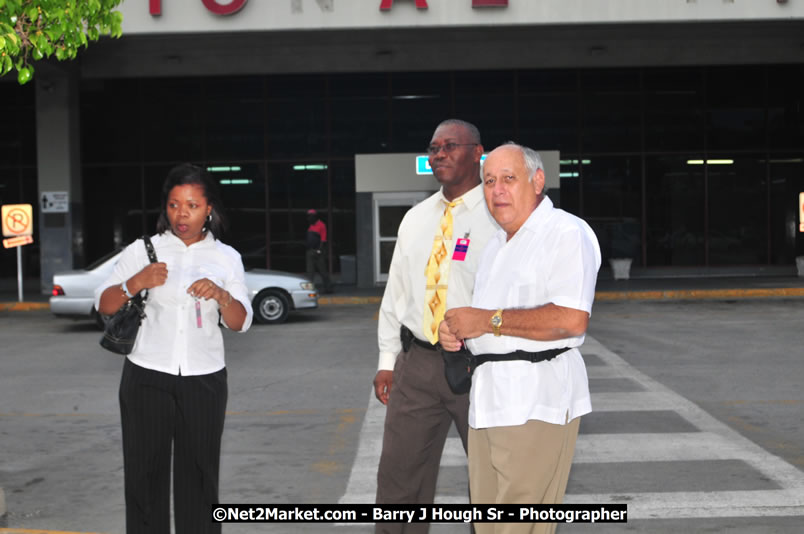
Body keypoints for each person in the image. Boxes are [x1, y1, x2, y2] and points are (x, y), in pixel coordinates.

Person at [439, 143, 601, 534]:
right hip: (488, 402)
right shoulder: (496, 245)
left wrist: (486, 321)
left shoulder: (565, 232)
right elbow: (487, 323)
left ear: (538, 180)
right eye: (489, 181)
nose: (497, 190)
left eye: (508, 179)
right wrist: (457, 333)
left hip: (536, 402)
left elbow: (570, 319)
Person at [95, 163, 253, 534]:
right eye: (173, 204)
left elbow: (240, 321)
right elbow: (104, 304)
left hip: (204, 378)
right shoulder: (143, 250)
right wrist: (136, 281)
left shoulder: (226, 257)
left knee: (199, 474)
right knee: (143, 474)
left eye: (192, 205)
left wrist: (221, 294)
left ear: (209, 208)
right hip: (146, 374)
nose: (182, 214)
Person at [373, 119, 497, 534]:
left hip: (481, 366)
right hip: (418, 364)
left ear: (479, 153)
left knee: (491, 485)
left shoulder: (499, 216)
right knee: (398, 481)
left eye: (450, 146)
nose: (439, 153)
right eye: (434, 147)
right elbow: (397, 293)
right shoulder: (415, 218)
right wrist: (387, 360)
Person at [305, 208, 333, 293]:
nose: (309, 218)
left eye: (310, 216)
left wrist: (319, 250)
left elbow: (323, 240)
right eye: (308, 216)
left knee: (323, 271)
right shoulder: (310, 225)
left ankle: (328, 288)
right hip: (310, 251)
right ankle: (309, 290)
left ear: (315, 217)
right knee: (310, 272)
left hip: (318, 252)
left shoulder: (321, 225)